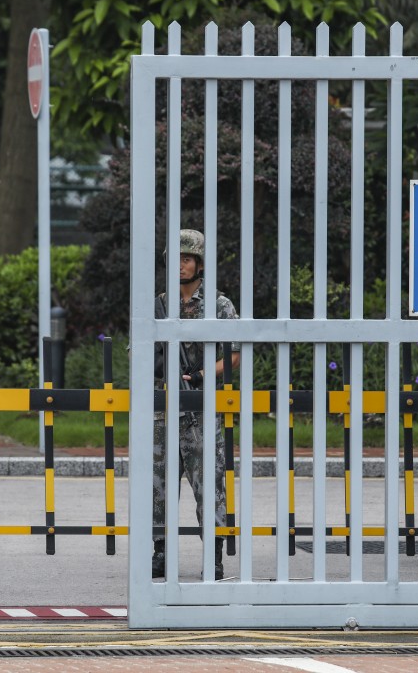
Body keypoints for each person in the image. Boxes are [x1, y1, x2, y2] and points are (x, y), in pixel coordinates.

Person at [152, 229, 240, 580]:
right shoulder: (159, 305)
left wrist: (203, 374)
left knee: (209, 487)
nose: (181, 265)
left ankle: (213, 557)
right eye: (176, 259)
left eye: (187, 259)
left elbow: (234, 354)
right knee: (157, 486)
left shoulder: (218, 305)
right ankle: (159, 553)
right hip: (163, 409)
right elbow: (142, 350)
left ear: (200, 264)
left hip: (202, 411)